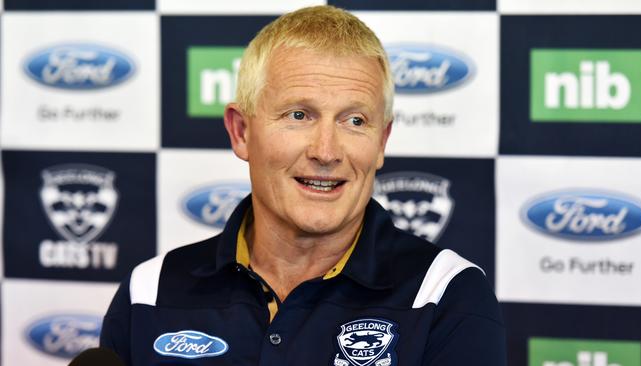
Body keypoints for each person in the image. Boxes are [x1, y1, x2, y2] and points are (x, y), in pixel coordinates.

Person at [100, 5, 506, 365]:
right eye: (299, 115)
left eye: (355, 121)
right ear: (241, 132)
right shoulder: (148, 292)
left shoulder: (445, 294)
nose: (326, 151)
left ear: (381, 142)